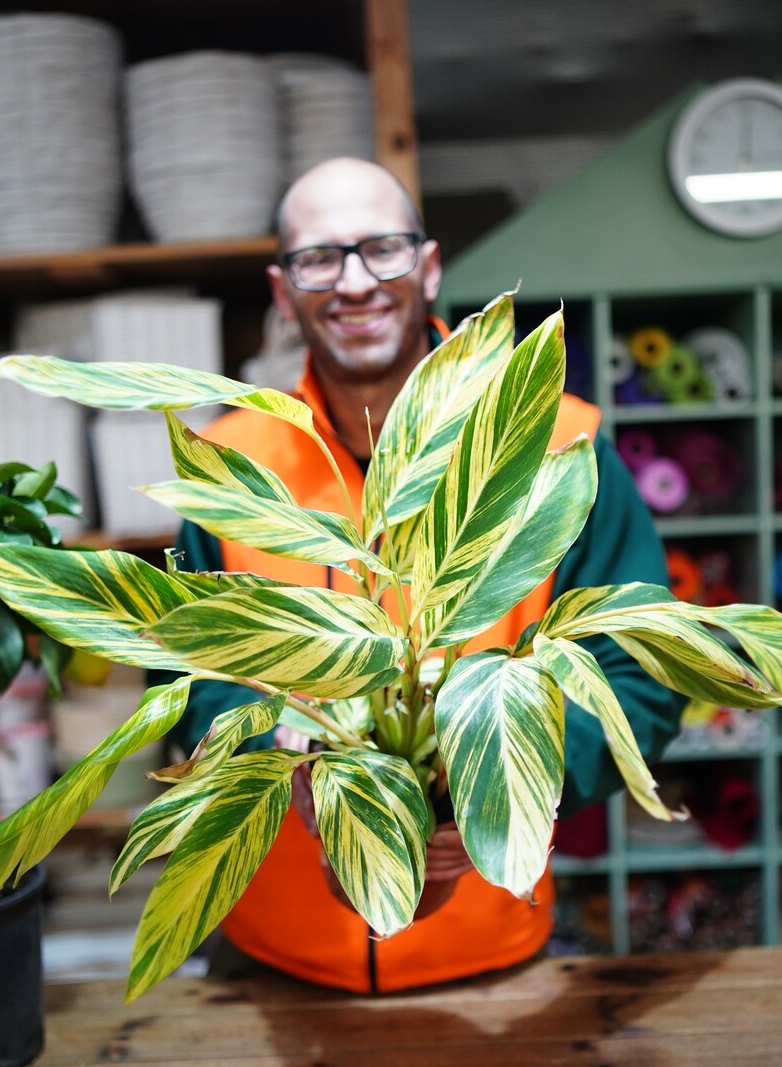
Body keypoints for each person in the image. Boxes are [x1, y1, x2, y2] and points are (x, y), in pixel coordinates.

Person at [165, 156, 681, 993]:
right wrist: (284, 748)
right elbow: (187, 669)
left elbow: (643, 678)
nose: (356, 282)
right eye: (320, 258)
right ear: (281, 288)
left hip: (486, 952)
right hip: (276, 956)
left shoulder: (556, 446)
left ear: (431, 265)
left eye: (384, 249)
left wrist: (501, 777)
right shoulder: (231, 467)